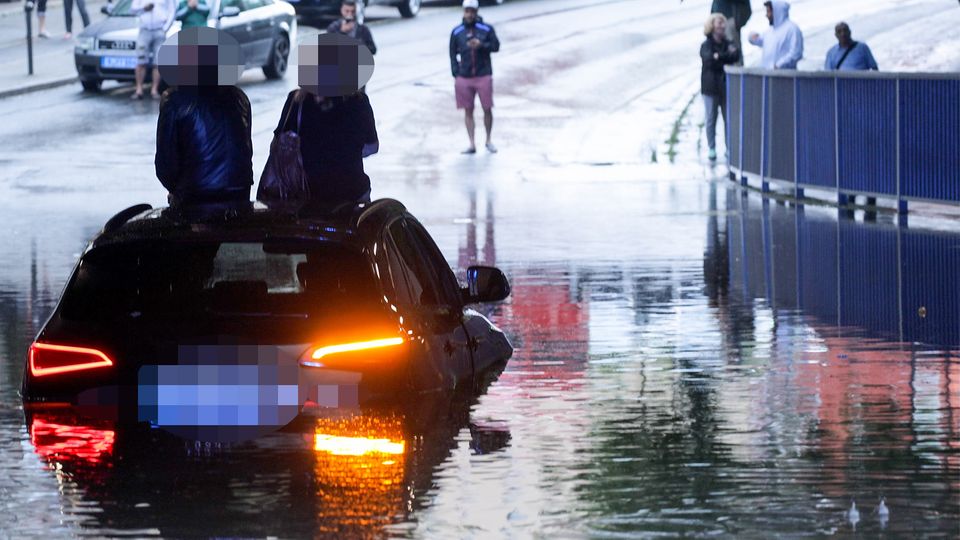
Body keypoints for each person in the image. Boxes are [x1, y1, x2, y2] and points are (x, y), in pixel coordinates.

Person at [155, 28, 253, 206]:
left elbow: (166, 166)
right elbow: (245, 151)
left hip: (196, 196)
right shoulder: (239, 98)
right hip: (240, 191)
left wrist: (175, 190)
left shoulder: (175, 102)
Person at [272, 90, 379, 204]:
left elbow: (278, 144)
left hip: (305, 193)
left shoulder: (296, 101)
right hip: (352, 192)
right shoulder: (359, 101)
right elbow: (372, 147)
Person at [450, 0, 500, 154]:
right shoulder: (457, 32)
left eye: (472, 11)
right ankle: (471, 143)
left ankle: (488, 139)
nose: (469, 14)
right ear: (463, 12)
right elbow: (452, 53)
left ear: (476, 12)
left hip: (483, 74)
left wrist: (481, 45)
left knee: (487, 108)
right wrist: (456, 73)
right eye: (467, 11)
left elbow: (496, 46)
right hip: (464, 77)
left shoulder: (486, 29)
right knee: (468, 110)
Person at [700, 13, 739, 162]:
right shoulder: (706, 45)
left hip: (725, 86)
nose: (722, 26)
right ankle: (712, 147)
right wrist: (724, 57)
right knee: (711, 118)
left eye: (723, 23)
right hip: (710, 88)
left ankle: (729, 148)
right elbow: (709, 60)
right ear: (712, 26)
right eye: (719, 23)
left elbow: (735, 56)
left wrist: (719, 56)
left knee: (727, 118)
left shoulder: (728, 42)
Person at [131, 0, 177, 100]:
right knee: (141, 60)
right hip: (144, 30)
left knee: (158, 62)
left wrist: (165, 28)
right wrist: (144, 8)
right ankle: (139, 89)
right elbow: (133, 10)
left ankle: (154, 90)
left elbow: (172, 11)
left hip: (159, 30)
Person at [748, 1, 803, 70]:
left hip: (787, 76)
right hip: (768, 75)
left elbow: (796, 53)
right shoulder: (769, 31)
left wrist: (778, 65)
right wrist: (751, 37)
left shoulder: (792, 29)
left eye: (768, 11)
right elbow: (757, 40)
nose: (766, 15)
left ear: (777, 12)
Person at [709, 0, 750, 65]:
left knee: (733, 51)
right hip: (718, 18)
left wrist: (736, 21)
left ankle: (736, 73)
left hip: (729, 18)